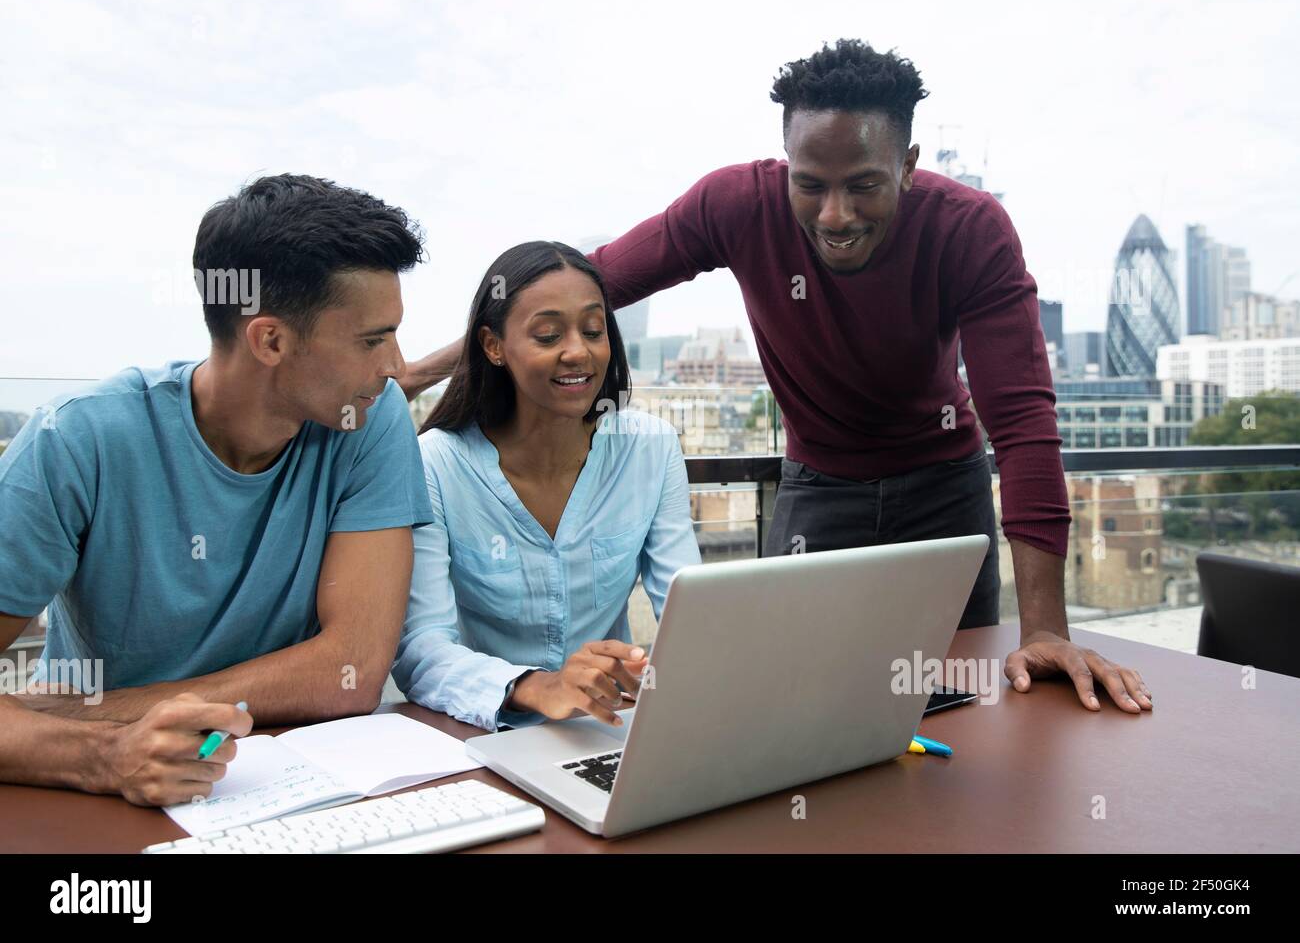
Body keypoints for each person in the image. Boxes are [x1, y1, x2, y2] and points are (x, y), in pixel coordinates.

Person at [399, 41, 1153, 714]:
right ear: (783, 164)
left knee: (957, 697)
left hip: (944, 488)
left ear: (910, 166)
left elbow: (1024, 430)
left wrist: (1049, 629)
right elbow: (577, 291)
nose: (833, 214)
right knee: (798, 702)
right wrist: (421, 373)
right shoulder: (735, 203)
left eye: (863, 185)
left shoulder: (970, 229)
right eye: (810, 183)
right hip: (817, 489)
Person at [0, 174, 434, 804]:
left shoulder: (369, 416)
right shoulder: (78, 439)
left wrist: (72, 715)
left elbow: (351, 675)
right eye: (373, 340)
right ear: (271, 340)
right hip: (95, 805)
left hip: (295, 784)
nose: (395, 365)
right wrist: (106, 757)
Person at [392, 241, 700, 731]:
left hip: (609, 729)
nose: (578, 351)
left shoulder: (650, 448)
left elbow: (691, 612)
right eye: (548, 335)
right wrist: (538, 687)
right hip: (479, 736)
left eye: (594, 330)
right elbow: (421, 650)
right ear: (493, 346)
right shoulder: (437, 465)